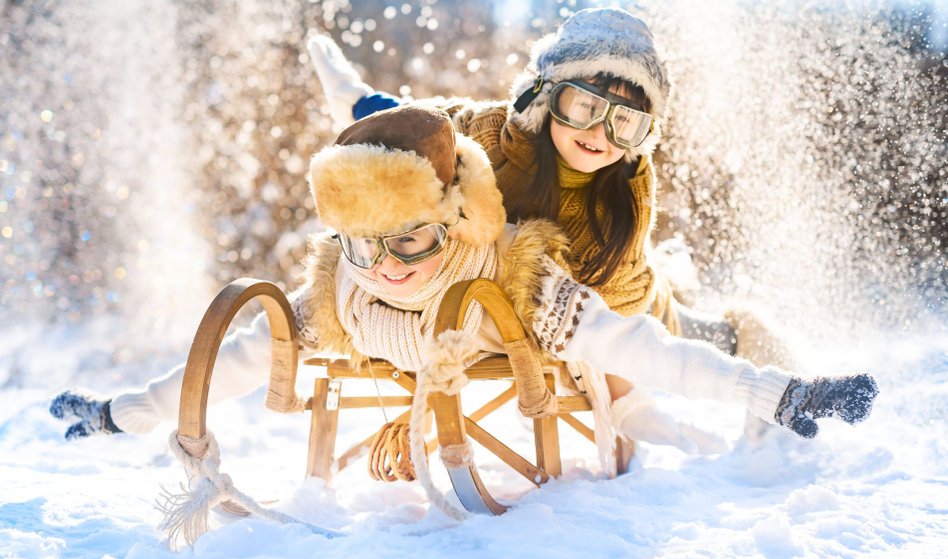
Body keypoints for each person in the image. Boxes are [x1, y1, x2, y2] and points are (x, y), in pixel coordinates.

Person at [51, 105, 877, 459]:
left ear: (450, 217)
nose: (391, 264)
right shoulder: (344, 282)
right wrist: (119, 415)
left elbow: (642, 344)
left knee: (622, 381)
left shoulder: (512, 274)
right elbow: (231, 360)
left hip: (529, 346)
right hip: (406, 369)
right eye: (366, 243)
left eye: (410, 236)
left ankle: (729, 420)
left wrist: (779, 395)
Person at [306, 8, 798, 424]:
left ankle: (751, 339)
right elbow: (414, 130)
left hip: (621, 305)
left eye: (625, 122)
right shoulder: (490, 133)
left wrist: (620, 392)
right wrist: (353, 98)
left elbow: (611, 327)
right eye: (583, 106)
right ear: (544, 95)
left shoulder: (623, 199)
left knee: (695, 333)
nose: (600, 132)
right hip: (506, 291)